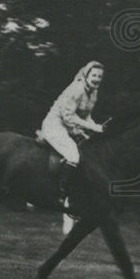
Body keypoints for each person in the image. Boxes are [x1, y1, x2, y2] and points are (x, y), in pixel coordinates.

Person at [41, 61, 106, 202]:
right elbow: (68, 116)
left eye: (100, 76)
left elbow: (86, 115)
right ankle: (60, 192)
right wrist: (93, 128)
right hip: (55, 125)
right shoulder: (77, 90)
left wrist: (95, 126)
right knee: (73, 156)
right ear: (86, 75)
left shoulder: (94, 91)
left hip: (69, 126)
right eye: (94, 75)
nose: (97, 79)